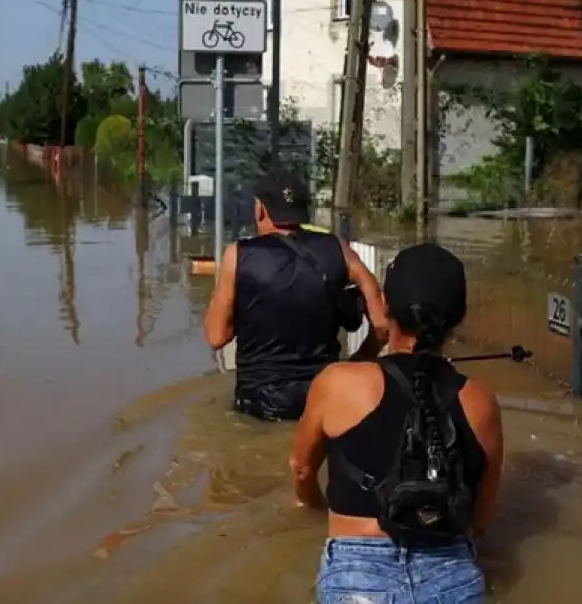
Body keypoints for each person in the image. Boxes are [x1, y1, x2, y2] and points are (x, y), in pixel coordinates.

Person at [290, 242, 504, 604]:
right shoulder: (481, 402)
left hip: (357, 579)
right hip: (453, 577)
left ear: (385, 306)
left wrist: (309, 505)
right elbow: (480, 523)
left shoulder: (339, 382)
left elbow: (300, 469)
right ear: (459, 317)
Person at [203, 168, 388, 422]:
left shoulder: (238, 256)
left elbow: (216, 336)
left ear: (260, 209)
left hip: (258, 403)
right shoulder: (339, 250)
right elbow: (381, 325)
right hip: (324, 397)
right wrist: (357, 362)